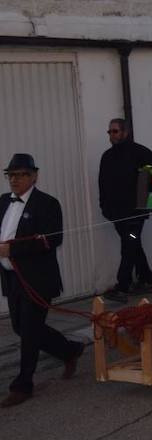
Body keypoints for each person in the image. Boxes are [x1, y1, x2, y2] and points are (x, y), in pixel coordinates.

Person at [0, 154, 83, 408]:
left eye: (21, 174)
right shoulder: (3, 202)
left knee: (28, 332)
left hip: (38, 279)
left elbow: (50, 240)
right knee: (21, 328)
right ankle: (68, 350)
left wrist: (12, 250)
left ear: (34, 176)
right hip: (11, 278)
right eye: (11, 175)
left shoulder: (47, 204)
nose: (15, 179)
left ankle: (23, 385)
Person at [99, 119, 152, 300]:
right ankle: (146, 278)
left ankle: (123, 286)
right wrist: (104, 207)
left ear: (125, 132)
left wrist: (145, 198)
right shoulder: (107, 156)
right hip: (116, 215)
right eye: (109, 132)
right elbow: (102, 183)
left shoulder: (141, 153)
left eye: (115, 131)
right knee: (133, 244)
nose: (112, 135)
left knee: (129, 244)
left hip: (136, 215)